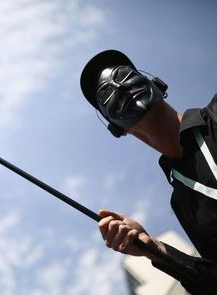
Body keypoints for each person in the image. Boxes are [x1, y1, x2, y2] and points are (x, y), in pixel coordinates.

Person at [80, 50, 217, 294]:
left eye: (123, 75)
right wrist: (153, 248)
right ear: (116, 128)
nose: (119, 87)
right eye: (106, 93)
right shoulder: (183, 202)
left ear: (156, 84)